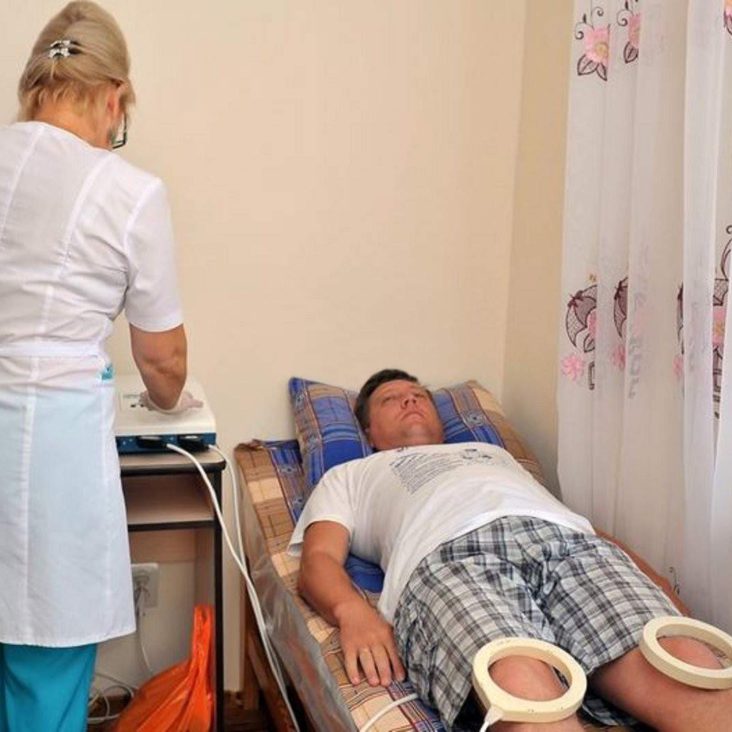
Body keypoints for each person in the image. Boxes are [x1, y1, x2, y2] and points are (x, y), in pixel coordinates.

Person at [291, 369, 732, 731]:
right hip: (449, 559)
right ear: (368, 430)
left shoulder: (493, 453)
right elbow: (318, 560)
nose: (410, 400)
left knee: (679, 660)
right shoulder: (352, 474)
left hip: (568, 544)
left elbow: (580, 524)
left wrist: (654, 582)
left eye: (419, 395)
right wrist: (353, 612)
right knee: (519, 682)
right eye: (391, 399)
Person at [0, 3, 194, 730]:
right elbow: (163, 358)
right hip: (49, 456)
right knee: (44, 662)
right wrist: (169, 400)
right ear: (115, 97)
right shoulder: (130, 192)